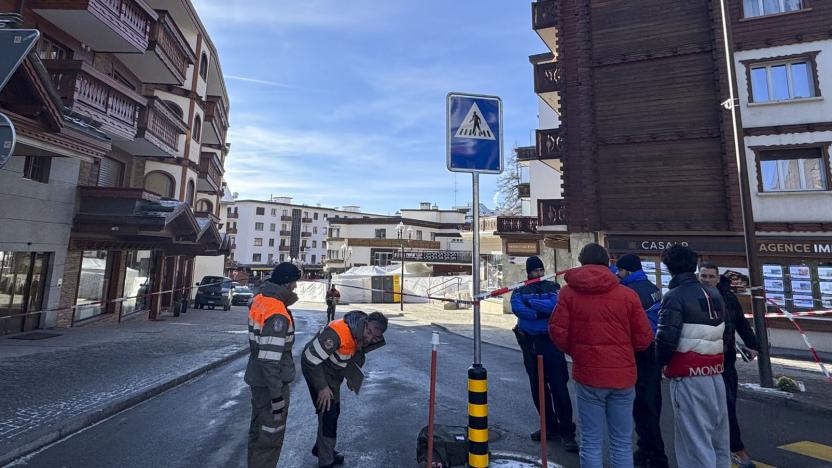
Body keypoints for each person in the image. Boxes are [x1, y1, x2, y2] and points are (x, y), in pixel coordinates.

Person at [550, 244, 653, 468]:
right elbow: (644, 336)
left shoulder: (568, 293)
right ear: (608, 263)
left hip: (588, 373)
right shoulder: (627, 295)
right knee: (622, 442)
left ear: (581, 262)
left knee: (591, 441)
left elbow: (557, 330)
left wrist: (576, 350)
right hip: (623, 374)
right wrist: (624, 351)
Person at [655, 246, 729, 468]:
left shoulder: (674, 297)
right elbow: (726, 332)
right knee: (718, 438)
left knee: (694, 442)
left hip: (687, 373)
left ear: (669, 268)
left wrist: (660, 362)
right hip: (716, 372)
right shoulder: (715, 294)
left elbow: (667, 337)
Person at [302, 310, 388, 468]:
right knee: (328, 413)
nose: (369, 338)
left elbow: (354, 354)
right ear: (365, 321)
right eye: (368, 332)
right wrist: (322, 387)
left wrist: (351, 375)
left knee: (333, 411)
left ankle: (321, 448)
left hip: (333, 373)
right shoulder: (338, 332)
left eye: (374, 337)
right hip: (317, 369)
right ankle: (325, 460)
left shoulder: (361, 333)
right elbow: (310, 358)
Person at [509, 256, 578, 452]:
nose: (538, 274)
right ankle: (548, 426)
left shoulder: (553, 286)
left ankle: (567, 432)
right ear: (528, 272)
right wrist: (541, 312)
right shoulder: (520, 289)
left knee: (559, 386)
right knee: (538, 387)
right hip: (530, 342)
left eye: (540, 270)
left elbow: (556, 305)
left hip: (552, 340)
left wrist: (534, 307)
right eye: (535, 271)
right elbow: (518, 308)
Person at [699, 263, 759, 468]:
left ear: (717, 278)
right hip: (701, 360)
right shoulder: (695, 296)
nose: (706, 279)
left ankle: (735, 448)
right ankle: (712, 448)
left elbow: (741, 323)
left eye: (710, 276)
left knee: (727, 404)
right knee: (704, 408)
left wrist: (752, 344)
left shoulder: (728, 298)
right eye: (703, 275)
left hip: (725, 360)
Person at [244, 262, 302, 468]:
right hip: (270, 387)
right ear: (286, 283)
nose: (295, 287)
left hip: (257, 380)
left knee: (258, 432)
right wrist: (277, 396)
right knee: (270, 436)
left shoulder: (261, 299)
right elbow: (270, 359)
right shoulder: (277, 312)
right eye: (294, 282)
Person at [615, 254, 668, 468]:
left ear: (626, 271)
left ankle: (653, 455)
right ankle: (648, 449)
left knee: (643, 406)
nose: (617, 274)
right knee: (653, 403)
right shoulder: (650, 286)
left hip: (640, 350)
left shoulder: (630, 292)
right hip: (654, 348)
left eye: (619, 271)